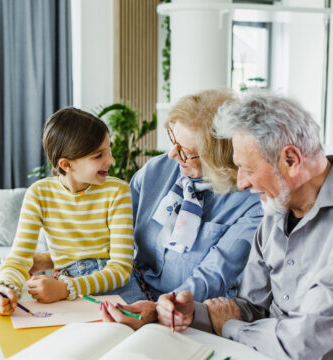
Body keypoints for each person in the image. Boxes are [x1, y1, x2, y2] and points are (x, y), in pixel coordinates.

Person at [157, 91, 333, 359]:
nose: (242, 183)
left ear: (290, 160)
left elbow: (304, 340)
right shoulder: (276, 209)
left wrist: (230, 327)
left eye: (249, 169)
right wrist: (195, 312)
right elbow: (252, 306)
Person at [27, 89, 262, 327]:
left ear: (217, 158)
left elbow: (213, 277)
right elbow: (112, 238)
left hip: (184, 315)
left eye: (186, 152)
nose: (172, 154)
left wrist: (159, 309)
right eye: (173, 140)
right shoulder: (156, 171)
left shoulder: (251, 203)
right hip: (125, 290)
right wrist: (49, 259)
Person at [0, 107, 134, 316]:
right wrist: (4, 288)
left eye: (108, 149)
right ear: (66, 165)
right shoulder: (39, 194)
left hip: (108, 286)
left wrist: (67, 288)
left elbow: (121, 270)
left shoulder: (117, 191)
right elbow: (19, 259)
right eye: (98, 155)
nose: (110, 160)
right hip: (65, 287)